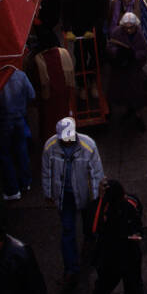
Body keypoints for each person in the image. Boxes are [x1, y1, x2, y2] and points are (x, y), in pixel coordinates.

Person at [41, 117, 105, 282]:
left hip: (85, 195)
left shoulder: (88, 146)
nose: (67, 141)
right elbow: (46, 172)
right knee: (67, 230)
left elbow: (96, 173)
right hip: (64, 197)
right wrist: (48, 193)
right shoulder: (50, 147)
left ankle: (89, 241)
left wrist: (97, 197)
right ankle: (71, 268)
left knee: (88, 224)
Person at [90, 179, 144, 294]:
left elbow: (94, 228)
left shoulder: (104, 209)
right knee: (134, 291)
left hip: (111, 257)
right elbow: (139, 231)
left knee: (102, 289)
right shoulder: (132, 203)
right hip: (130, 256)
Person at [0, 63, 35, 201]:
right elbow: (31, 95)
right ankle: (25, 182)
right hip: (20, 118)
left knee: (5, 155)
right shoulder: (20, 75)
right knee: (21, 150)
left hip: (3, 122)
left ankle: (12, 190)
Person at [106, 11, 147, 131]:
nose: (129, 30)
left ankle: (138, 115)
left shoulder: (140, 34)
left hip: (134, 69)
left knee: (137, 93)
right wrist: (118, 53)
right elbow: (110, 47)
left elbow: (144, 50)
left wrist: (134, 55)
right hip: (121, 69)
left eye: (131, 28)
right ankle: (128, 109)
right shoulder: (117, 33)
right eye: (127, 28)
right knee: (123, 92)